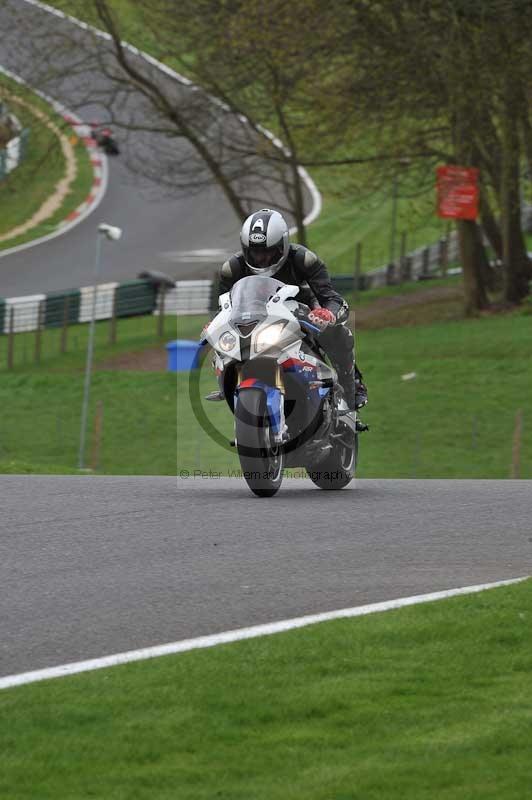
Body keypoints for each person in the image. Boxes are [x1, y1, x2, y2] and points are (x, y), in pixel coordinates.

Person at [216, 208, 368, 410]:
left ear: (283, 246)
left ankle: (352, 387)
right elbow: (224, 307)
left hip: (301, 312)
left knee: (337, 333)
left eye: (268, 252)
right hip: (254, 322)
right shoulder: (232, 269)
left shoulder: (304, 260)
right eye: (255, 252)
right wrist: (215, 323)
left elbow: (332, 298)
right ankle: (227, 382)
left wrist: (328, 313)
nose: (261, 258)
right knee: (223, 342)